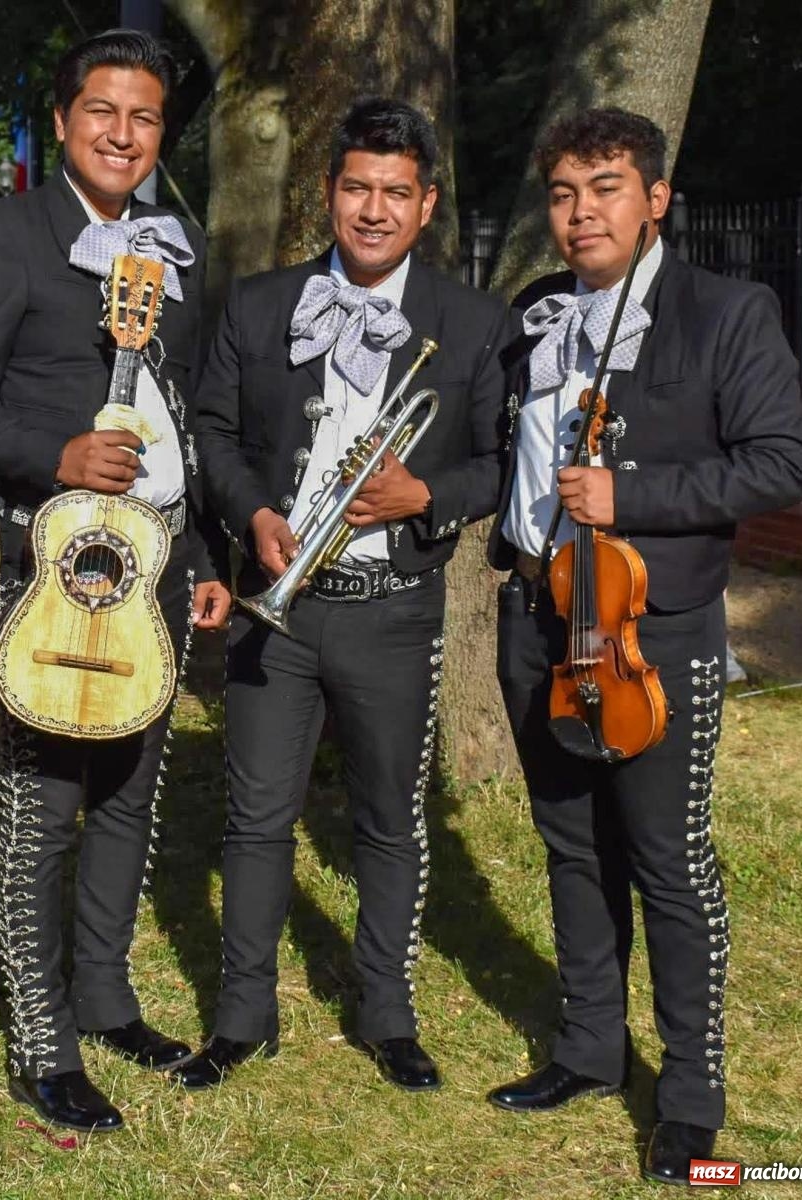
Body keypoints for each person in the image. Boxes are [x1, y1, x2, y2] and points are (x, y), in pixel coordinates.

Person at [485, 107, 802, 1184]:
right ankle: (588, 1049)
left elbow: (779, 467)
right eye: (567, 193)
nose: (584, 213)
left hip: (646, 629)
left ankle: (690, 1099)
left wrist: (634, 493)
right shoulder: (537, 314)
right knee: (572, 845)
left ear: (657, 197)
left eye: (608, 188)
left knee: (669, 864)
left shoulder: (727, 312)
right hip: (538, 614)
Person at [0, 30, 231, 1133]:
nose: (122, 132)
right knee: (40, 804)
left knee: (127, 797)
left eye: (145, 117)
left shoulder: (177, 245)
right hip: (52, 560)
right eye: (103, 110)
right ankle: (43, 1039)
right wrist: (55, 453)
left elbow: (182, 419)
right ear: (62, 121)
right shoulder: (8, 235)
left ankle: (104, 997)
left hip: (157, 562)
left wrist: (201, 560)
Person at [183, 98, 511, 1093]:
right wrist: (252, 520)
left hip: (393, 605)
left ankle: (387, 1014)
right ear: (330, 194)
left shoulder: (474, 322)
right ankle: (243, 1017)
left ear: (426, 206)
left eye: (395, 194)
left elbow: (505, 462)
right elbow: (214, 433)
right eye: (357, 188)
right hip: (277, 600)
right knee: (255, 818)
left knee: (387, 819)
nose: (373, 210)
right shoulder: (258, 304)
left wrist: (425, 495)